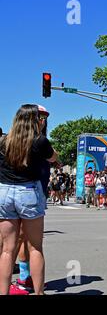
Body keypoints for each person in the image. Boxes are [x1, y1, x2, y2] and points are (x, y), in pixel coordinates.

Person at [0, 104, 58, 295]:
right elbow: (53, 158)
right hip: (28, 191)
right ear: (33, 120)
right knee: (35, 247)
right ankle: (39, 292)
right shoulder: (39, 141)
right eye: (39, 118)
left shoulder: (4, 141)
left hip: (4, 191)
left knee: (7, 250)